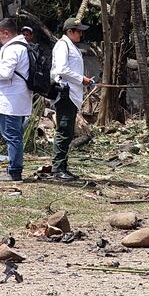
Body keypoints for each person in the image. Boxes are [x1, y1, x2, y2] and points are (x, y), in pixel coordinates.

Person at [0, 17, 31, 182]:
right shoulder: (21, 46)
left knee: (12, 135)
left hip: (11, 101)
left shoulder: (12, 49)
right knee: (13, 134)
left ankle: (14, 172)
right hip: (16, 99)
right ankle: (12, 168)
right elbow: (13, 68)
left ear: (6, 33)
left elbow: (5, 74)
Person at [50, 18, 94, 180]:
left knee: (67, 131)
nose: (81, 34)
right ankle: (57, 168)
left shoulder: (71, 46)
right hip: (65, 93)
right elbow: (62, 69)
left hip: (71, 93)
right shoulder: (63, 45)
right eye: (78, 31)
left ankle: (62, 167)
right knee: (63, 130)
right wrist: (81, 79)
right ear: (70, 31)